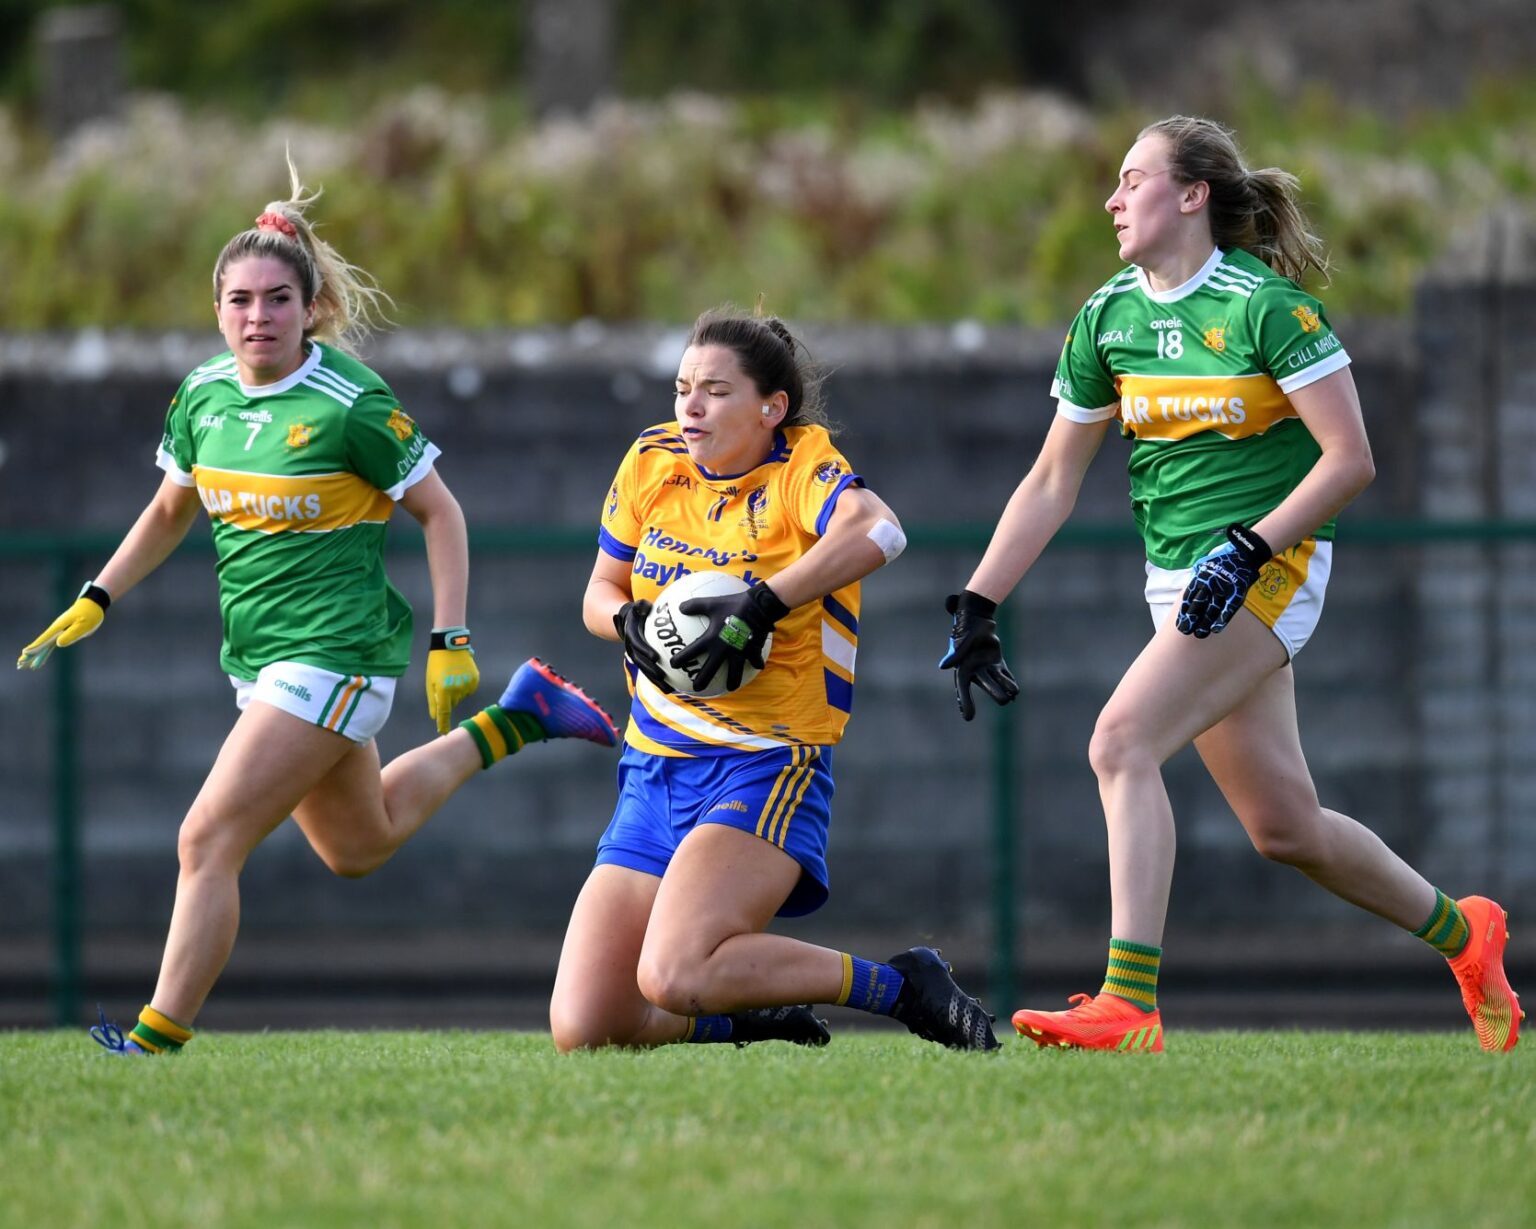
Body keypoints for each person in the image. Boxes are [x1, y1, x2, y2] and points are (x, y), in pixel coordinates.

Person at [942, 115, 1523, 1054]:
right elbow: (1052, 479)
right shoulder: (1108, 318)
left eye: (1132, 180)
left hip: (1270, 567)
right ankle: (1468, 934)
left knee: (1120, 742)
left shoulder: (1266, 309)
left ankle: (1128, 1002)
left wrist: (1250, 548)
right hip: (1180, 581)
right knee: (1285, 826)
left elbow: (1350, 459)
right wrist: (979, 599)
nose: (1112, 199)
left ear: (1192, 194)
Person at [18, 159, 618, 1056]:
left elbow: (441, 511)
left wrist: (451, 637)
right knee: (358, 844)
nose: (257, 317)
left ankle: (154, 1038)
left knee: (205, 838)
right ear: (216, 307)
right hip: (260, 658)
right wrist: (99, 593)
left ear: (310, 307)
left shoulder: (350, 403)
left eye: (275, 299)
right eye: (239, 300)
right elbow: (170, 508)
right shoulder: (202, 395)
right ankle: (516, 719)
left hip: (338, 652)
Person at [549, 308, 999, 1052]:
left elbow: (879, 530)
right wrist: (628, 622)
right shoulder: (651, 460)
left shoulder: (800, 466)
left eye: (716, 391)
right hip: (652, 767)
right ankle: (745, 1012)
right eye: (682, 388)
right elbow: (599, 588)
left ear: (772, 408)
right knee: (587, 1027)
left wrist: (764, 602)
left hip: (763, 762)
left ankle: (900, 985)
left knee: (673, 970)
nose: (691, 406)